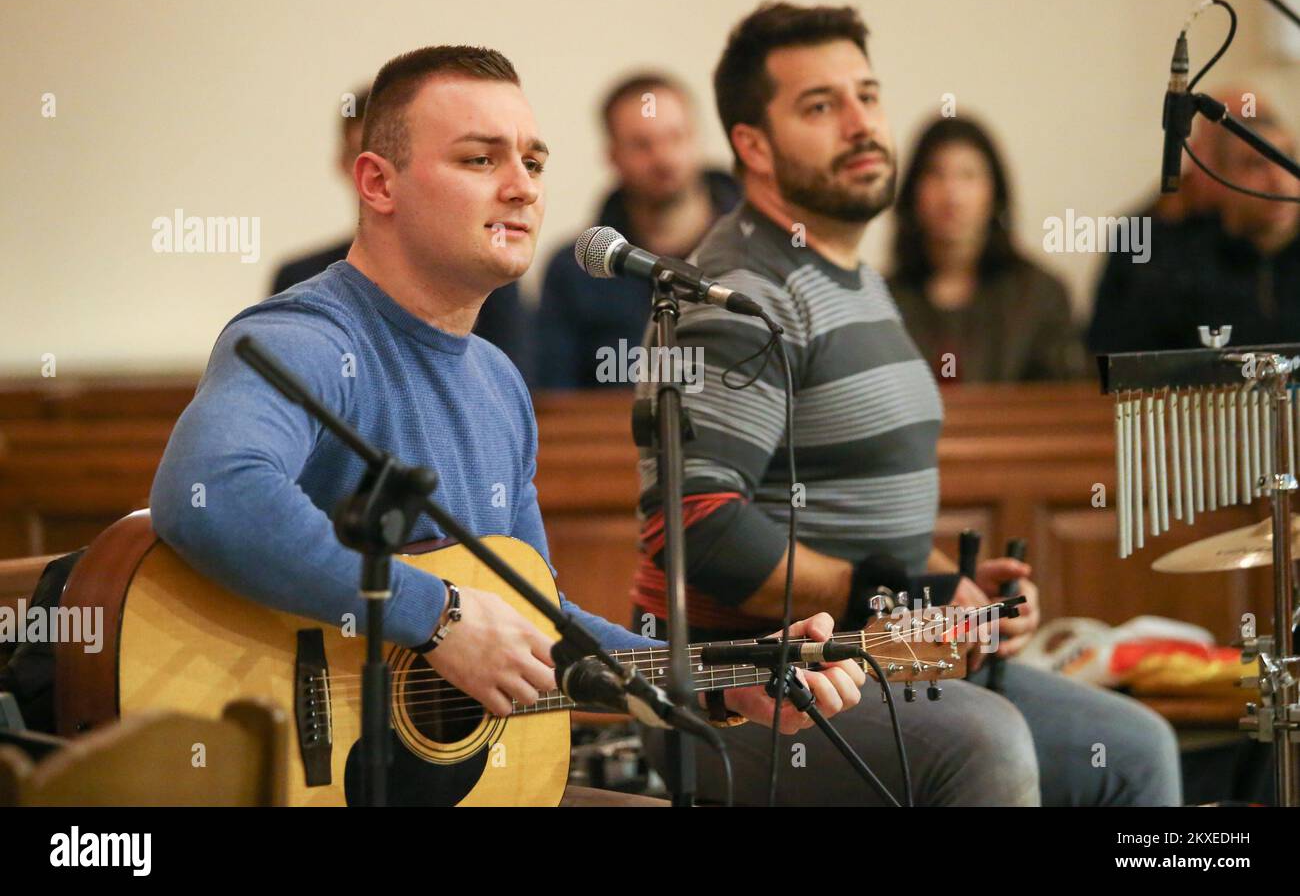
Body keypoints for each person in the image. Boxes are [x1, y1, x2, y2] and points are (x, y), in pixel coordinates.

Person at [150, 45, 862, 803]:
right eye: (480, 159)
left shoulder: (498, 382)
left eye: (534, 161)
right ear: (378, 182)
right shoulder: (309, 338)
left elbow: (537, 625)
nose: (522, 188)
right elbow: (210, 491)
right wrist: (439, 617)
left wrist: (727, 681)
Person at [633, 1, 1181, 805]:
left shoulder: (854, 278)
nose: (861, 123)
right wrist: (894, 593)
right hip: (747, 686)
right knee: (985, 745)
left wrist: (957, 592)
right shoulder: (740, 290)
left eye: (868, 94)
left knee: (1135, 748)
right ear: (752, 143)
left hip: (882, 658)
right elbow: (696, 526)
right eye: (821, 106)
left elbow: (852, 528)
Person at [269, 85, 532, 379]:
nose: (382, 175)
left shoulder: (483, 273)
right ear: (347, 166)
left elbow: (512, 383)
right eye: (365, 156)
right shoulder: (299, 277)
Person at [535, 73, 739, 388]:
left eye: (676, 137)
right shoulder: (577, 268)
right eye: (643, 144)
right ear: (612, 156)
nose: (663, 157)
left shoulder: (758, 248)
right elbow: (555, 404)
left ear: (698, 139)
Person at [886, 116, 1086, 382]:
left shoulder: (1040, 295)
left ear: (994, 195)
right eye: (936, 174)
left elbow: (1061, 403)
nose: (951, 194)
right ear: (913, 193)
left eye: (968, 175)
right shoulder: (881, 301)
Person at [1089, 105, 1300, 353]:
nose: (1279, 179)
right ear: (1220, 177)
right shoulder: (1177, 269)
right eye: (1255, 164)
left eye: (1286, 158)